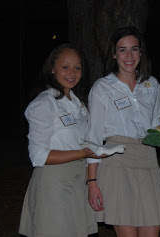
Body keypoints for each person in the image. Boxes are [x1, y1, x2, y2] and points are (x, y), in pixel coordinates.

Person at [19, 43, 117, 237]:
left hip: (77, 181)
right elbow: (38, 155)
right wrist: (84, 153)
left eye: (77, 67)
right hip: (53, 183)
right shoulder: (44, 104)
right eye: (65, 67)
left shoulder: (78, 105)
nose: (72, 73)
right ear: (52, 68)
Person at [86, 26, 160, 237]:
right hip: (117, 164)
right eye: (122, 50)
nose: (129, 56)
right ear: (114, 54)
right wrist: (92, 182)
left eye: (134, 49)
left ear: (141, 52)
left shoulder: (152, 84)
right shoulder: (102, 87)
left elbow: (157, 123)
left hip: (148, 161)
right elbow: (94, 137)